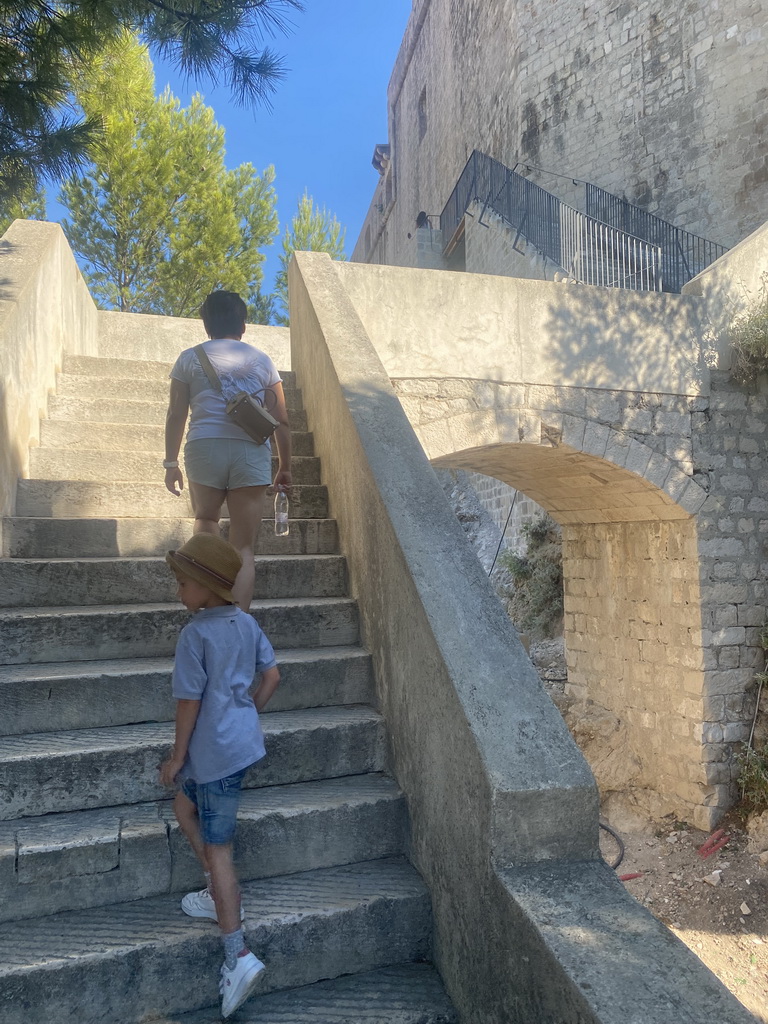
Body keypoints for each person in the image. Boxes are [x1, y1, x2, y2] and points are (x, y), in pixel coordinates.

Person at [159, 532, 280, 1019]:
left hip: (211, 757)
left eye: (183, 583)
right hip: (239, 747)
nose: (178, 591)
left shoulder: (194, 636)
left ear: (207, 589)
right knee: (183, 806)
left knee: (219, 847)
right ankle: (215, 891)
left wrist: (175, 758)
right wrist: (248, 712)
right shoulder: (246, 624)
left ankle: (238, 954)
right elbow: (271, 677)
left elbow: (188, 703)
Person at [163, 289, 292, 612]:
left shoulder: (189, 358)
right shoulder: (262, 361)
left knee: (206, 521)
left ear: (206, 323)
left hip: (204, 447)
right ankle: (237, 622)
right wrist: (285, 466)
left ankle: (205, 606)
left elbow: (176, 413)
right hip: (250, 450)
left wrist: (170, 461)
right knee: (244, 548)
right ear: (243, 325)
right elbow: (282, 421)